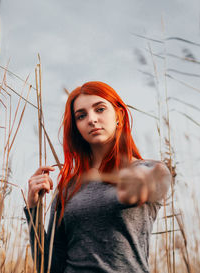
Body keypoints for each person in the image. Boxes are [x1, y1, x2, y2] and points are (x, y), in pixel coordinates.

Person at [25, 81, 171, 273]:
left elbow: (153, 180)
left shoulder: (150, 169)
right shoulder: (68, 187)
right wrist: (33, 208)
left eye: (100, 109)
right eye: (81, 116)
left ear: (118, 115)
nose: (91, 119)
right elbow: (49, 268)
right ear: (76, 126)